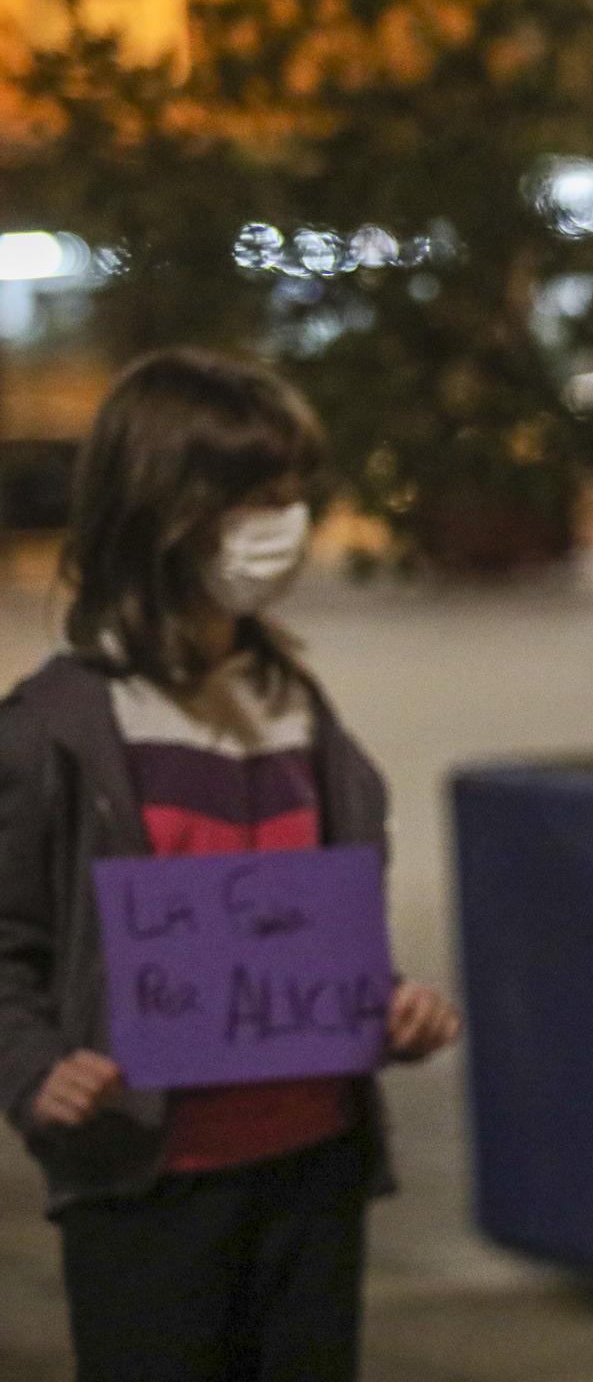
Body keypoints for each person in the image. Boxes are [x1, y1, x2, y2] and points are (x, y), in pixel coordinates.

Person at [0, 349, 462, 1381]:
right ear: (163, 508)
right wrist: (34, 1070)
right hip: (152, 1187)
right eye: (257, 497)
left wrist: (385, 1005)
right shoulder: (60, 730)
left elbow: (298, 927)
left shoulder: (298, 709)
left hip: (312, 1176)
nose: (285, 524)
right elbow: (8, 945)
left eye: (294, 494)